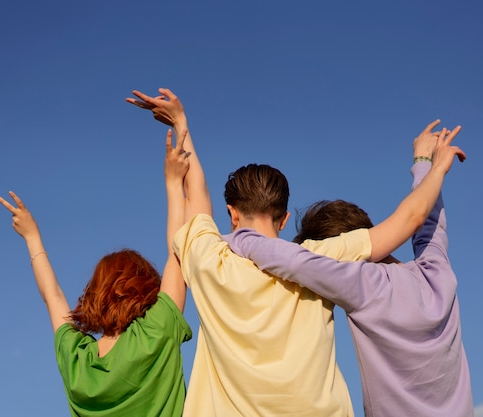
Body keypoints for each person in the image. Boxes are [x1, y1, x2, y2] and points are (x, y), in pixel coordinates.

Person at [127, 88, 464, 416]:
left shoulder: (208, 260)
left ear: (231, 214)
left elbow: (196, 200)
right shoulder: (320, 258)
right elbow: (409, 220)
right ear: (285, 219)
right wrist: (430, 165)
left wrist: (181, 126)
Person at [223, 131, 474, 416]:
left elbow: (296, 263)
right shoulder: (437, 272)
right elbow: (430, 225)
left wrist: (236, 236)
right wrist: (425, 163)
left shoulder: (363, 284)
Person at [0, 128, 193, 417]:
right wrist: (173, 182)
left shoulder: (77, 360)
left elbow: (53, 297)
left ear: (95, 293)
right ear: (148, 289)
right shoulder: (157, 331)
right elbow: (178, 252)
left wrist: (32, 238)